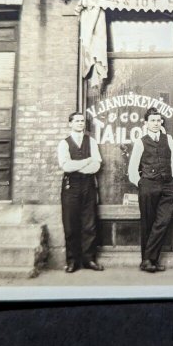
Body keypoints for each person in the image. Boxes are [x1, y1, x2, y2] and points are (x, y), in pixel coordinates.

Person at [128, 108, 173, 273]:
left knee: (162, 222)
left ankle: (148, 259)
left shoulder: (168, 139)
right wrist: (142, 184)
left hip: (168, 185)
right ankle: (149, 260)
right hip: (149, 186)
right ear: (146, 123)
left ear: (161, 122)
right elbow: (132, 169)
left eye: (158, 120)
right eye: (152, 120)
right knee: (148, 224)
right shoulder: (141, 141)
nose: (156, 123)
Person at [57, 112, 104, 273]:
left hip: (88, 186)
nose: (80, 123)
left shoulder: (91, 141)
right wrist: (86, 161)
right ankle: (72, 261)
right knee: (70, 226)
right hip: (71, 187)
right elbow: (66, 166)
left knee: (89, 225)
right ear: (70, 123)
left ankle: (89, 260)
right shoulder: (64, 143)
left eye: (82, 121)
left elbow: (97, 164)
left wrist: (79, 165)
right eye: (76, 121)